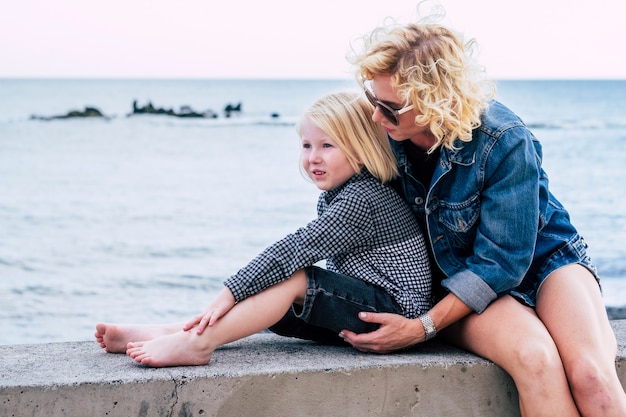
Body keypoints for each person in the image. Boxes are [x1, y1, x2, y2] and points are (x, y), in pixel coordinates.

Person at [336, 19, 626, 417]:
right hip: (457, 277)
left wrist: (422, 328)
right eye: (372, 99)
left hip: (544, 259)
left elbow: (503, 262)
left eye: (388, 107)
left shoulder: (504, 139)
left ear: (435, 99)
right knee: (536, 359)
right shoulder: (381, 131)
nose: (375, 116)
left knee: (594, 379)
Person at [95, 91, 432, 367]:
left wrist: (230, 291)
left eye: (327, 146)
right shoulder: (341, 194)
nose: (313, 157)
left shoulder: (363, 199)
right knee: (273, 302)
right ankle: (171, 331)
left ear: (360, 149)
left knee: (293, 277)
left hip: (395, 317)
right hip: (370, 309)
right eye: (306, 145)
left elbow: (295, 249)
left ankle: (198, 344)